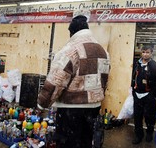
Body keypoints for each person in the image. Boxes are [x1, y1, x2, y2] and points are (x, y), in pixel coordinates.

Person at [37, 15, 110, 148]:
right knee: (86, 142)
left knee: (67, 143)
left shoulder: (70, 50)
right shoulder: (103, 51)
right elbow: (104, 81)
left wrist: (42, 104)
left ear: (72, 32)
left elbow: (56, 82)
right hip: (93, 109)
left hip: (71, 110)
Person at [131, 45, 156, 144]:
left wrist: (154, 95)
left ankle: (149, 133)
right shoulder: (137, 64)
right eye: (144, 52)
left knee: (149, 116)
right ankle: (138, 135)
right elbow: (133, 77)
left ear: (151, 53)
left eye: (147, 52)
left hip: (149, 95)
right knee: (137, 117)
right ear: (141, 52)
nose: (145, 54)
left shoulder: (155, 66)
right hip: (137, 95)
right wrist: (133, 90)